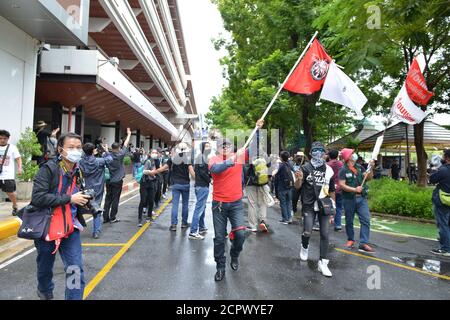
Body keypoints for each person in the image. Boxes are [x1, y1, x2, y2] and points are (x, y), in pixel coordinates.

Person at [31, 132, 91, 300]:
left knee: (75, 269)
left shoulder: (79, 170)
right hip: (47, 227)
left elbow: (75, 195)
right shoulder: (48, 169)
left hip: (69, 228)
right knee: (45, 267)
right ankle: (45, 290)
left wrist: (82, 202)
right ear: (60, 149)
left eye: (78, 148)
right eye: (71, 147)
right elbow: (37, 197)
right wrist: (70, 198)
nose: (76, 151)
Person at [209, 119, 264, 281]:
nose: (225, 147)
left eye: (227, 145)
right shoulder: (213, 159)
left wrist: (258, 130)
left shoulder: (239, 156)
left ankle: (234, 254)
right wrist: (233, 159)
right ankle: (220, 266)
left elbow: (254, 148)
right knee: (219, 238)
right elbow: (217, 170)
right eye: (222, 145)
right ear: (218, 148)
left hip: (236, 204)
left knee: (240, 234)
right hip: (218, 205)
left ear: (232, 147)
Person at [294, 142, 336, 277]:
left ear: (325, 153)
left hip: (324, 205)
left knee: (325, 234)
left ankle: (323, 263)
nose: (318, 153)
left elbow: (332, 190)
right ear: (311, 153)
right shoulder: (305, 168)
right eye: (315, 150)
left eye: (321, 151)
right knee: (307, 231)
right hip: (309, 205)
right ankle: (304, 246)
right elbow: (297, 186)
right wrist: (299, 179)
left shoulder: (329, 170)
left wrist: (333, 206)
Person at [339, 148, 375, 253]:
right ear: (348, 157)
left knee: (366, 220)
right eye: (352, 153)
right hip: (349, 199)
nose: (354, 155)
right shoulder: (343, 170)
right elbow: (342, 184)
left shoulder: (360, 167)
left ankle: (363, 243)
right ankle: (350, 240)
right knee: (349, 221)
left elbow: (369, 178)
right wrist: (354, 189)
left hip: (361, 199)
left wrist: (371, 168)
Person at [79, 142, 113, 239]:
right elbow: (110, 159)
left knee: (80, 208)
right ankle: (96, 231)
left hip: (85, 188)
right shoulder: (99, 161)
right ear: (93, 151)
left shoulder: (80, 162)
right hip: (98, 189)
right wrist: (106, 150)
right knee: (96, 210)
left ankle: (75, 228)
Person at [103, 128, 131, 224]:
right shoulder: (120, 155)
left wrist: (106, 149)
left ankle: (105, 217)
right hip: (117, 181)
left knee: (108, 198)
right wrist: (129, 134)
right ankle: (113, 217)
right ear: (118, 148)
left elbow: (106, 153)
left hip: (109, 180)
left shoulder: (107, 156)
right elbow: (126, 144)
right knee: (115, 199)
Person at [168, 142, 195, 231]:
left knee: (175, 205)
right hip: (185, 184)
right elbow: (192, 173)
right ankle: (184, 223)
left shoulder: (173, 158)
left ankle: (173, 225)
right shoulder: (188, 159)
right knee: (185, 204)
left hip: (175, 184)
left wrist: (153, 172)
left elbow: (163, 167)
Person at [189, 142, 212, 240]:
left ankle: (201, 227)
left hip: (200, 186)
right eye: (206, 146)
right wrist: (210, 180)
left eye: (209, 146)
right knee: (199, 208)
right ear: (202, 148)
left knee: (202, 207)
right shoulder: (202, 158)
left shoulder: (202, 157)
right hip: (202, 186)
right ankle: (193, 232)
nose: (209, 147)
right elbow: (203, 173)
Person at [429, 149, 450, 256]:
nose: (442, 157)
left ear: (447, 158)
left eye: (443, 155)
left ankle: (445, 249)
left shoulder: (443, 170)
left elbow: (432, 179)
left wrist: (433, 168)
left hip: (443, 201)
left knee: (443, 225)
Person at [244, 151, 271, 232]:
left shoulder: (248, 152)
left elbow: (245, 168)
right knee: (263, 203)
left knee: (252, 204)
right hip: (262, 182)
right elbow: (269, 166)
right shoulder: (264, 153)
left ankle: (253, 226)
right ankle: (263, 221)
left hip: (250, 183)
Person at [0, 130, 22, 216]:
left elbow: (18, 158)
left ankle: (15, 206)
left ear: (8, 139)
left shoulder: (12, 147)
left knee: (10, 193)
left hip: (7, 175)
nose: (2, 140)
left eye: (4, 138)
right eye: (0, 138)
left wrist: (20, 168)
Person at [137, 149, 159, 227]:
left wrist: (154, 174)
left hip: (151, 183)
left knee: (151, 200)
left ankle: (149, 217)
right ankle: (139, 219)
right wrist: (152, 173)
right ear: (150, 153)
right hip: (145, 183)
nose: (154, 154)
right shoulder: (148, 161)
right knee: (143, 201)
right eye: (153, 152)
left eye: (156, 153)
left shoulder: (155, 161)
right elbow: (144, 171)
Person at [274, 151, 294, 225]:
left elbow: (275, 174)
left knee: (283, 203)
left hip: (282, 186)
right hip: (290, 186)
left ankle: (285, 219)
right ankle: (289, 218)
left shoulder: (280, 165)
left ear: (281, 157)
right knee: (289, 202)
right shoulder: (290, 164)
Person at [327, 149, 344, 231]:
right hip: (340, 188)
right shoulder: (341, 164)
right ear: (337, 156)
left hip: (329, 189)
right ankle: (338, 225)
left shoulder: (327, 165)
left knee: (327, 206)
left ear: (329, 156)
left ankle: (325, 224)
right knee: (339, 207)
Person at [292, 151, 305, 215]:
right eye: (298, 156)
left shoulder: (306, 166)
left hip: (303, 185)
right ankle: (294, 209)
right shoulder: (293, 165)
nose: (299, 158)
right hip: (295, 184)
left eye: (301, 156)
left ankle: (303, 212)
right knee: (294, 198)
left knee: (303, 199)